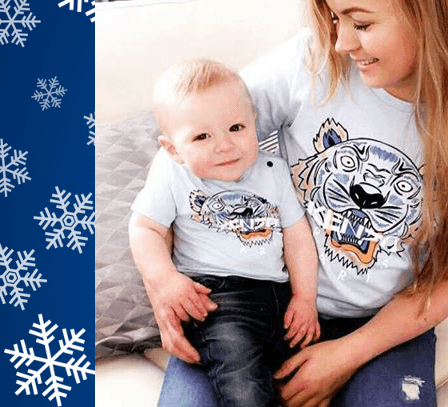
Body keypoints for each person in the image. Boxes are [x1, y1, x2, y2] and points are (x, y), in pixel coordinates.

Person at [154, 0, 448, 405]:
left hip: (383, 324)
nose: (341, 41)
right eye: (332, 18)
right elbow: (188, 145)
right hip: (255, 300)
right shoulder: (308, 62)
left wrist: (346, 354)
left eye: (362, 23)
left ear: (435, 12)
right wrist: (159, 278)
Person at [129, 59, 321, 407]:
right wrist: (166, 280)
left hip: (278, 296)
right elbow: (144, 229)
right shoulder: (175, 177)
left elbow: (297, 235)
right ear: (172, 149)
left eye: (236, 127)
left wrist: (305, 298)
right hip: (218, 301)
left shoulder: (273, 170)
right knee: (243, 384)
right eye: (202, 136)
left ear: (255, 124)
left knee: (304, 376)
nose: (225, 145)